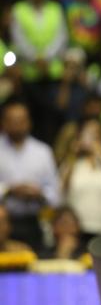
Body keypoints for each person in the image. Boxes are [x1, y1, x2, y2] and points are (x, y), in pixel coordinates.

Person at [0, 100, 60, 251]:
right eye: (12, 120)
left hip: (34, 221)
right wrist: (9, 190)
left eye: (21, 120)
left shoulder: (43, 152)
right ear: (4, 122)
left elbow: (55, 193)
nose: (17, 124)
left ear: (29, 122)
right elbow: (7, 190)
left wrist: (39, 194)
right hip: (3, 222)